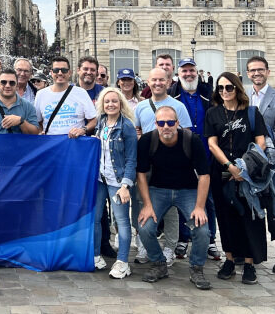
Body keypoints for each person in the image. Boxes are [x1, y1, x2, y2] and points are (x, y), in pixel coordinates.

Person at [136, 106, 212, 290]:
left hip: (188, 190)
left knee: (202, 230)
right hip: (158, 189)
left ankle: (196, 267)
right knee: (145, 228)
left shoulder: (191, 140)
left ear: (177, 123)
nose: (166, 126)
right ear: (156, 124)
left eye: (170, 122)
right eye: (161, 123)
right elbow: (141, 173)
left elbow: (204, 175)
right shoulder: (148, 140)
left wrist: (200, 207)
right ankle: (159, 263)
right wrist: (147, 204)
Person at [206, 72, 268, 285]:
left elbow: (261, 142)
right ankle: (230, 259)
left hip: (247, 175)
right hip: (222, 173)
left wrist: (244, 167)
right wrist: (230, 167)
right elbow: (212, 144)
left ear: (238, 89)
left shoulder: (251, 113)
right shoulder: (213, 113)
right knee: (225, 218)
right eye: (221, 88)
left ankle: (249, 263)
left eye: (229, 87)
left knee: (249, 218)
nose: (224, 92)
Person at [132, 67, 192, 265]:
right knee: (142, 204)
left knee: (171, 208)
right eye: (154, 80)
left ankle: (169, 248)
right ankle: (144, 244)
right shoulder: (140, 107)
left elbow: (187, 135)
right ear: (148, 82)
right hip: (147, 163)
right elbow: (137, 131)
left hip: (170, 165)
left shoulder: (178, 106)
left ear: (168, 82)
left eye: (161, 80)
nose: (157, 83)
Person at [168, 58, 218, 262]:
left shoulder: (207, 93)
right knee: (182, 198)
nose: (188, 74)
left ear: (197, 72)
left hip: (207, 152)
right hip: (183, 154)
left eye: (191, 70)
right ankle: (184, 236)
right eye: (184, 71)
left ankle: (211, 239)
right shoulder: (173, 93)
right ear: (178, 73)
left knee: (209, 200)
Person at [246, 56, 275, 274]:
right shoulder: (244, 97)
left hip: (272, 164)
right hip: (248, 164)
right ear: (247, 74)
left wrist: (259, 152)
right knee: (250, 208)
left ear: (268, 71)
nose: (257, 73)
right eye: (253, 70)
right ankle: (250, 252)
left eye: (260, 70)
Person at [91, 87, 137, 278]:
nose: (110, 104)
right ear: (102, 104)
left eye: (114, 101)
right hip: (100, 179)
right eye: (107, 101)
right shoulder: (101, 123)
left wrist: (125, 185)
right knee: (95, 219)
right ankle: (94, 256)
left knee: (122, 221)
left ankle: (123, 261)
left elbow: (131, 159)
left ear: (121, 104)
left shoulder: (126, 126)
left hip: (118, 182)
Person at [34, 56, 97, 136]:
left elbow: (94, 120)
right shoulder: (41, 95)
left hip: (75, 143)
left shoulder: (81, 93)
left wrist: (83, 130)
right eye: (56, 70)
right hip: (51, 144)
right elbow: (37, 122)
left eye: (64, 70)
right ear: (51, 72)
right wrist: (40, 131)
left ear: (69, 73)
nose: (60, 73)